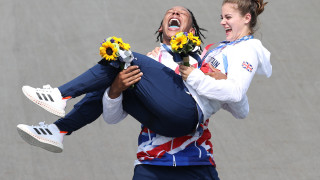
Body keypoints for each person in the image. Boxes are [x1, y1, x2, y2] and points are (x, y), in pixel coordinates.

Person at [103, 0, 271, 179]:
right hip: (151, 164)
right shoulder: (144, 65)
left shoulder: (205, 63)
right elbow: (112, 118)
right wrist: (115, 90)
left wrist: (227, 82)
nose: (175, 14)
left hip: (196, 162)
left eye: (181, 14)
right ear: (161, 28)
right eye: (170, 12)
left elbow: (240, 110)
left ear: (191, 32)